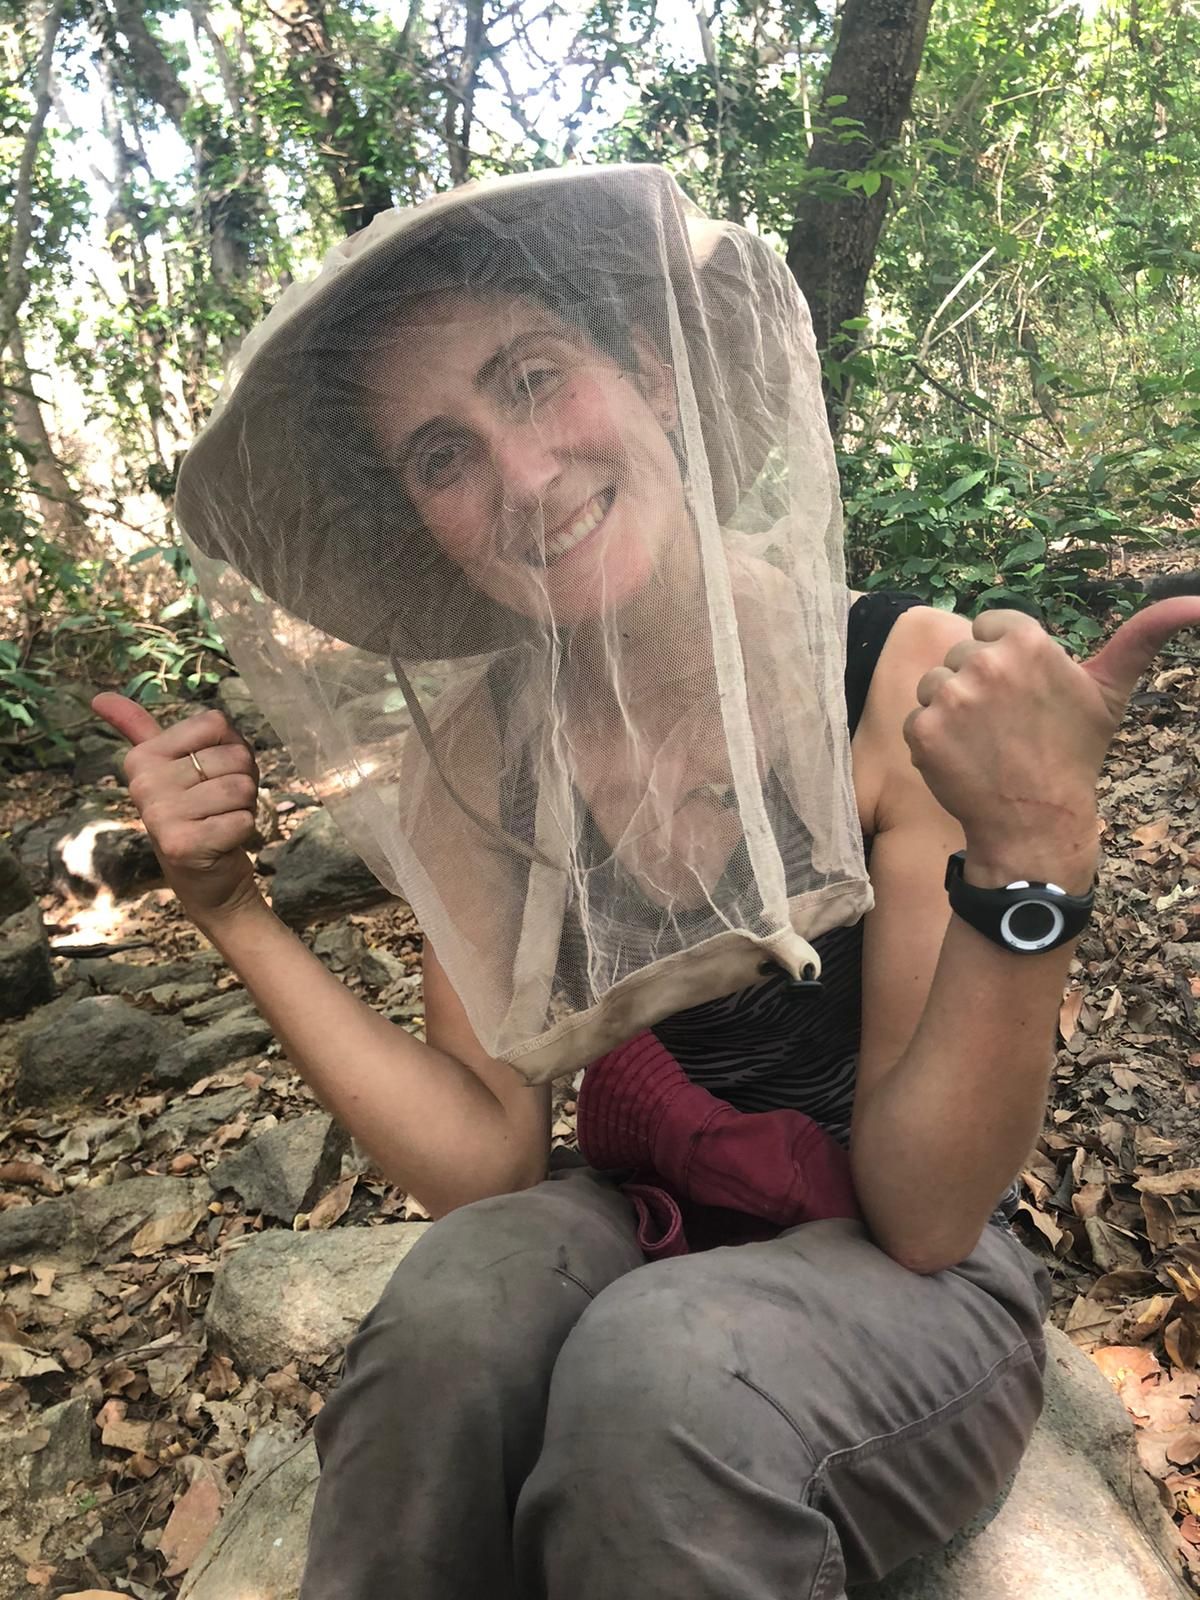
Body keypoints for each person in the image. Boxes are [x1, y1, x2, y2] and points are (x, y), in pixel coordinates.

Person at [93, 165, 1199, 1600]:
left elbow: (928, 1208)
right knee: (445, 1318)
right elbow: (485, 1161)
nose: (523, 476)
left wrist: (1033, 852)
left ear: (655, 372)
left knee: (661, 1375)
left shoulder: (896, 682)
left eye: (534, 378)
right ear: (420, 520)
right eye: (443, 456)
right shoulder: (477, 759)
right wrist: (233, 911)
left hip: (901, 1273)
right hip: (640, 1214)